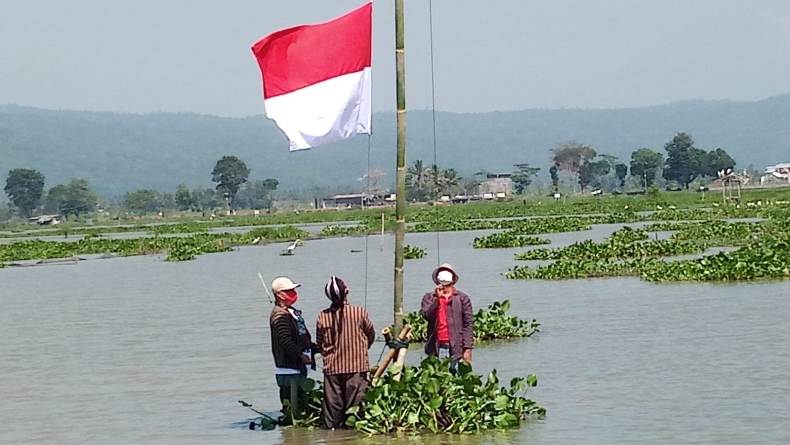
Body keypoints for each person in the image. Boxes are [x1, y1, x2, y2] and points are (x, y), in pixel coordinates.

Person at [315, 276, 375, 429]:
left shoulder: (323, 316)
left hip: (332, 370)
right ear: (346, 292)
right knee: (354, 413)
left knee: (333, 416)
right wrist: (362, 349)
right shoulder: (359, 312)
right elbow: (371, 335)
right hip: (356, 368)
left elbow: (320, 342)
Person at [269, 276, 314, 419]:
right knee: (294, 414)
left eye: (293, 290)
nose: (293, 293)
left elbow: (302, 337)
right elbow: (286, 341)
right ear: (279, 295)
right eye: (289, 291)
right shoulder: (279, 316)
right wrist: (300, 356)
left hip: (299, 369)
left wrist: (316, 348)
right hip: (289, 372)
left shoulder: (292, 312)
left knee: (302, 409)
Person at [420, 263, 473, 365]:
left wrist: (467, 349)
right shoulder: (429, 298)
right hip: (436, 347)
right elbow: (427, 315)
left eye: (447, 285)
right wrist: (437, 300)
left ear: (452, 283)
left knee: (457, 378)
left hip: (457, 348)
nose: (445, 288)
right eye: (443, 285)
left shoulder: (462, 299)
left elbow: (468, 324)